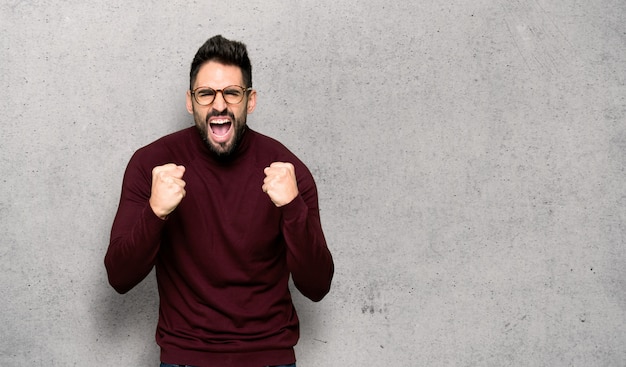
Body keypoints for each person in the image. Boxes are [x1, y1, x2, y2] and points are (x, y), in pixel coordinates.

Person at [104, 35, 334, 367]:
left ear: (250, 100)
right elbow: (119, 277)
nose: (219, 105)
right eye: (206, 93)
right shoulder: (151, 164)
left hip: (270, 358)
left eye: (232, 93)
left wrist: (292, 208)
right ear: (190, 101)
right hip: (184, 358)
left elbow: (317, 286)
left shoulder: (287, 171)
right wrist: (155, 213)